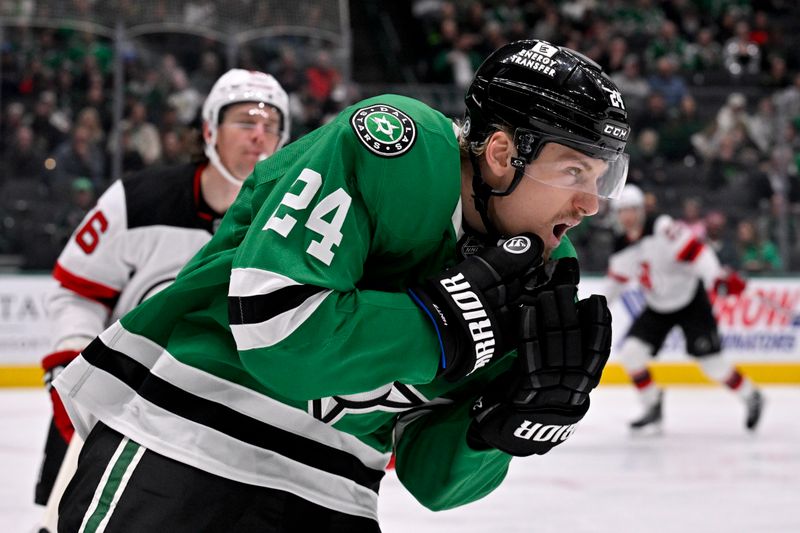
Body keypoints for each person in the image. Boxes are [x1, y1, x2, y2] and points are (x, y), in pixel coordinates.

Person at [54, 40, 629, 532]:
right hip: (186, 449)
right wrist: (437, 321)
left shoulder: (542, 272)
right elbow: (273, 327)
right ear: (503, 153)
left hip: (337, 496)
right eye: (574, 171)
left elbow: (432, 483)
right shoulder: (399, 147)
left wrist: (500, 426)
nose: (588, 204)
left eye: (603, 179)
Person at [36, 68, 290, 528]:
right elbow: (77, 289)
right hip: (118, 401)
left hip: (222, 423)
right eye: (245, 122)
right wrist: (71, 359)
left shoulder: (290, 221)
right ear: (209, 129)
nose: (259, 136)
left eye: (271, 125)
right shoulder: (138, 201)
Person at [603, 184, 764, 432]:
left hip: (690, 300)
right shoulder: (620, 245)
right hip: (657, 305)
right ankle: (652, 405)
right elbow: (615, 283)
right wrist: (596, 307)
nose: (627, 217)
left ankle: (751, 395)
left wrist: (716, 278)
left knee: (711, 362)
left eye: (632, 210)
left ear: (642, 210)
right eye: (622, 211)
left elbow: (699, 252)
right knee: (633, 354)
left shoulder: (663, 228)